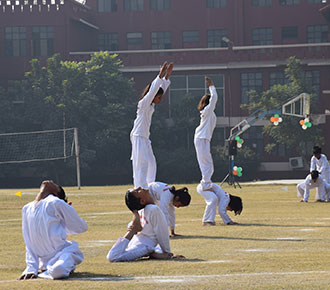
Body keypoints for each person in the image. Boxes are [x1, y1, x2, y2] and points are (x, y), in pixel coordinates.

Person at [18, 180, 88, 280]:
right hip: (44, 262)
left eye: (55, 184)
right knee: (54, 270)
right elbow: (29, 242)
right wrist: (31, 268)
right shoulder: (26, 208)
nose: (51, 181)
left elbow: (81, 227)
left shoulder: (56, 202)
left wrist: (67, 212)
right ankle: (50, 268)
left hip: (64, 253)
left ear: (56, 192)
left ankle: (69, 264)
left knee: (58, 271)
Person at [106, 187, 184, 262]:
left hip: (139, 242)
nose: (139, 187)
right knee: (113, 256)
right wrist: (167, 253)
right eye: (137, 191)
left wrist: (135, 214)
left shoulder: (145, 209)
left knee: (156, 249)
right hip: (144, 246)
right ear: (142, 201)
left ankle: (154, 252)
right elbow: (162, 233)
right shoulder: (153, 209)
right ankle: (154, 252)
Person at [130, 61, 173, 189]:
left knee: (152, 164)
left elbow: (160, 90)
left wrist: (167, 76)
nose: (160, 100)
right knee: (141, 165)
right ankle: (139, 189)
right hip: (138, 136)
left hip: (145, 138)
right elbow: (153, 90)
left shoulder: (151, 105)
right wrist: (160, 74)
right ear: (153, 96)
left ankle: (149, 187)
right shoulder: (144, 103)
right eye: (158, 98)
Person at [194, 76, 218, 191]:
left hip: (202, 139)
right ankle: (205, 184)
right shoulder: (208, 111)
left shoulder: (208, 113)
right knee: (207, 164)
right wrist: (211, 85)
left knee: (208, 164)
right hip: (202, 138)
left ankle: (206, 183)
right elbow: (214, 97)